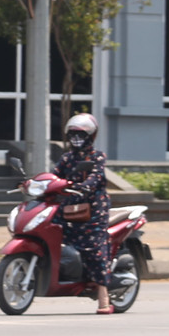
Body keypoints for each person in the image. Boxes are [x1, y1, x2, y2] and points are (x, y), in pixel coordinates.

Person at [55, 113, 115, 314]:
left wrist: (84, 186)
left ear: (91, 136)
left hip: (93, 209)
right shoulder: (67, 158)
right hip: (70, 207)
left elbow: (96, 177)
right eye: (72, 134)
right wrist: (35, 183)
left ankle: (103, 298)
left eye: (80, 134)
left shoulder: (97, 156)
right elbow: (54, 176)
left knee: (93, 249)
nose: (76, 138)